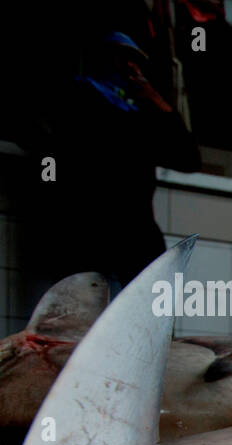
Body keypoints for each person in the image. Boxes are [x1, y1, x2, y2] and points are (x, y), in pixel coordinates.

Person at [36, 31, 200, 288]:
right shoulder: (78, 97)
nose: (130, 68)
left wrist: (157, 102)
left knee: (149, 300)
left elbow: (188, 159)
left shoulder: (138, 113)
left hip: (134, 227)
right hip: (86, 222)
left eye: (135, 62)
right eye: (122, 59)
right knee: (83, 310)